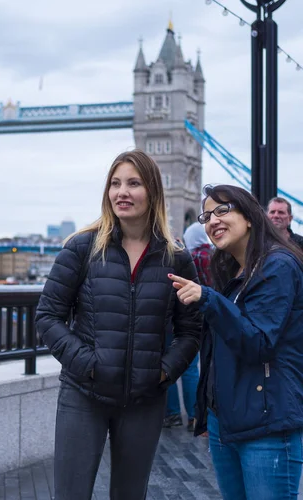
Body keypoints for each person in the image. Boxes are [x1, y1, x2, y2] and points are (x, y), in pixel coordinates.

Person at [35, 149, 201, 500]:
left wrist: (163, 372)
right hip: (84, 394)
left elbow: (191, 331)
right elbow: (47, 316)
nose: (121, 192)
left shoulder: (176, 258)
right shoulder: (82, 248)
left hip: (144, 398)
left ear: (153, 191)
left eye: (133, 183)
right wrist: (88, 364)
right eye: (115, 183)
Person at [170, 184, 303, 499]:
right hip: (226, 421)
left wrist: (209, 299)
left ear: (250, 217)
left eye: (222, 210)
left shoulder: (278, 265)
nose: (211, 220)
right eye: (206, 215)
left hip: (267, 424)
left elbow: (258, 342)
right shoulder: (233, 269)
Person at [163, 222, 212, 431]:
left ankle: (172, 414)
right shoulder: (214, 255)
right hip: (202, 314)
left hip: (172, 316)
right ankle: (195, 415)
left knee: (169, 366)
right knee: (191, 368)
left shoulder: (175, 255)